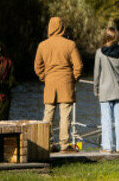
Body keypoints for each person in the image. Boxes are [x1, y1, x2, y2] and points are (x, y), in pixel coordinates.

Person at [34, 16, 83, 153]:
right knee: (65, 115)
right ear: (62, 27)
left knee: (48, 114)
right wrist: (74, 79)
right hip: (66, 82)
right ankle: (64, 144)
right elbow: (78, 66)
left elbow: (37, 67)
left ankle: (46, 143)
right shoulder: (70, 44)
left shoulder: (42, 45)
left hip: (50, 82)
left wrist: (44, 77)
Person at [93, 27, 119, 153]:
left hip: (104, 90)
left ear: (105, 36)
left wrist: (96, 89)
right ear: (117, 37)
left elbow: (96, 73)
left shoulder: (99, 52)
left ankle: (108, 147)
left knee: (106, 119)